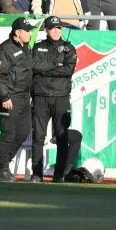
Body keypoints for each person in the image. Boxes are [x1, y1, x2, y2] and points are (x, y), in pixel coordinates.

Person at [30, 15, 80, 182]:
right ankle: (37, 174)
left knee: (61, 137)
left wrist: (44, 69)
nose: (57, 31)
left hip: (61, 97)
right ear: (46, 30)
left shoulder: (68, 48)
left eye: (59, 28)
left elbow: (67, 70)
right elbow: (33, 66)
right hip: (41, 97)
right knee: (38, 136)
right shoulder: (38, 47)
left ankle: (59, 175)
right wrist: (55, 66)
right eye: (53, 28)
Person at [0, 17, 35, 182]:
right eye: (27, 31)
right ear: (18, 32)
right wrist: (5, 96)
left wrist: (29, 94)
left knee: (23, 132)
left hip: (24, 97)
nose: (30, 33)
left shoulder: (26, 48)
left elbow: (27, 74)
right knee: (8, 134)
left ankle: (1, 163)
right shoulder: (4, 49)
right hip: (10, 97)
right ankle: (2, 171)